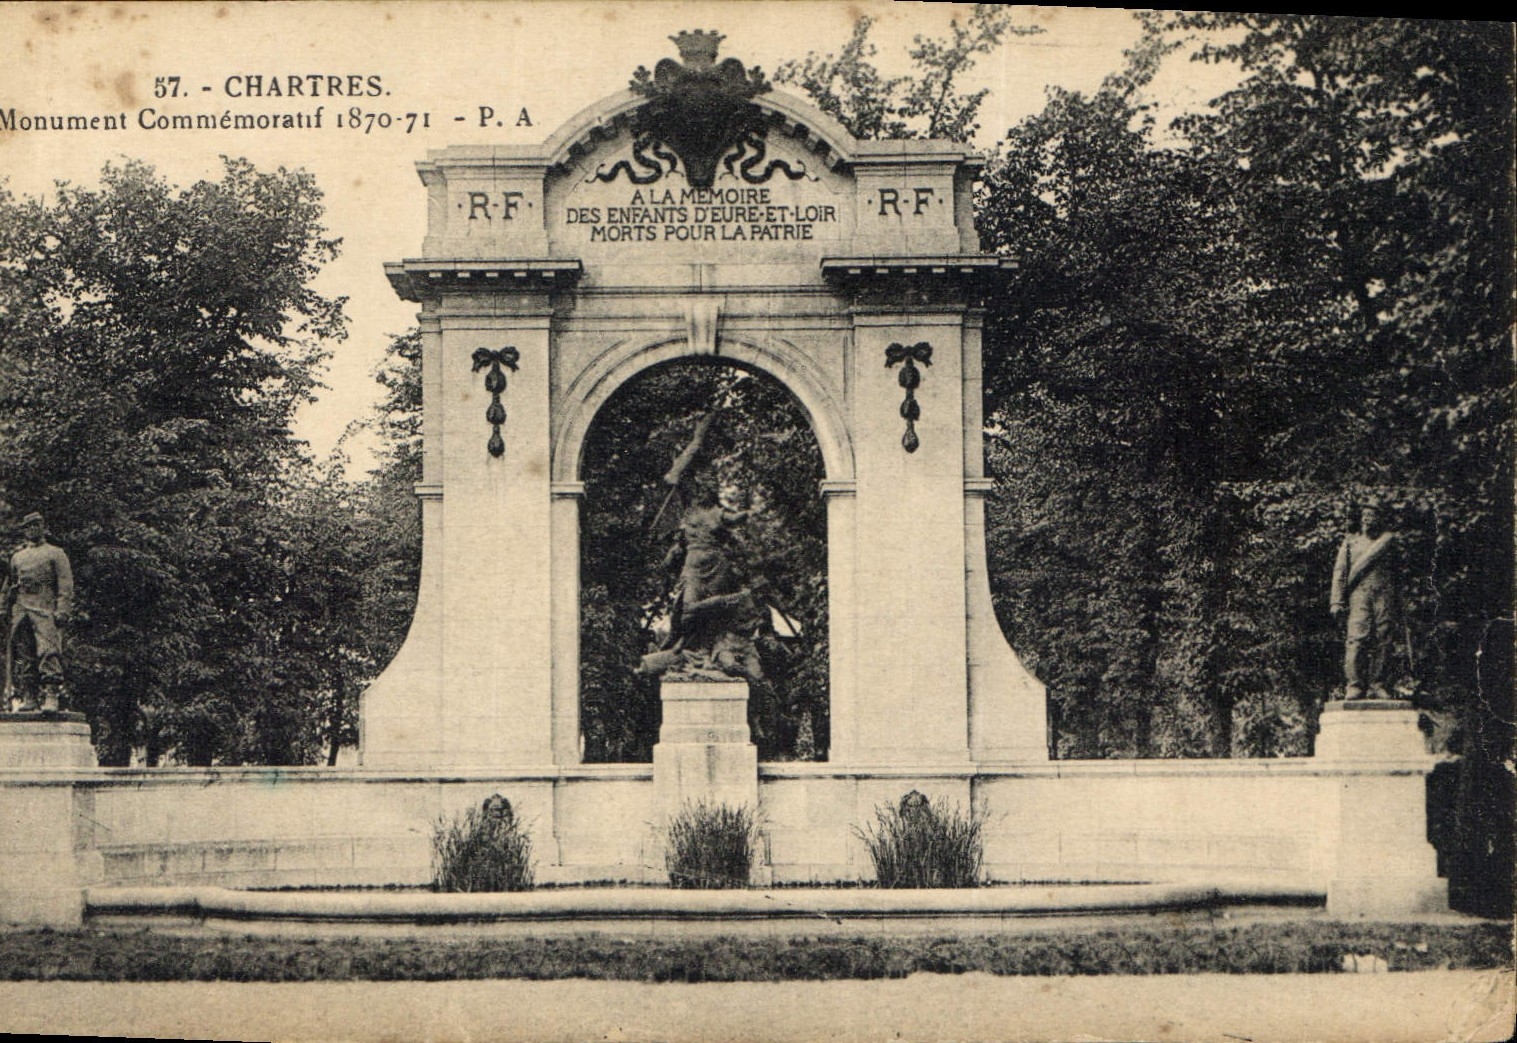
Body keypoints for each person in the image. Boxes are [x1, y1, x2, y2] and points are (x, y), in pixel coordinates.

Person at [4, 512, 75, 713]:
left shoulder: (56, 553)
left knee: (48, 652)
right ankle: (30, 697)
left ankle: (51, 695)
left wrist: (62, 610)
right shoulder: (17, 557)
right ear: (24, 531)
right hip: (22, 610)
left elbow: (65, 585)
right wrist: (4, 607)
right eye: (28, 527)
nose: (32, 529)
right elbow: (9, 585)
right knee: (25, 655)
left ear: (43, 527)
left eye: (36, 525)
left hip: (45, 610)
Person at [1330, 501, 1400, 700]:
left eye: (1373, 516)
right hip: (1358, 596)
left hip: (1383, 596)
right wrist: (1336, 601)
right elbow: (1340, 573)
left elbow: (1397, 574)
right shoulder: (1351, 544)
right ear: (1361, 519)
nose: (1369, 519)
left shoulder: (1388, 543)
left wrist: (1399, 601)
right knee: (1356, 639)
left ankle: (1379, 684)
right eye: (1366, 516)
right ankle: (1355, 685)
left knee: (1384, 639)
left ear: (1380, 520)